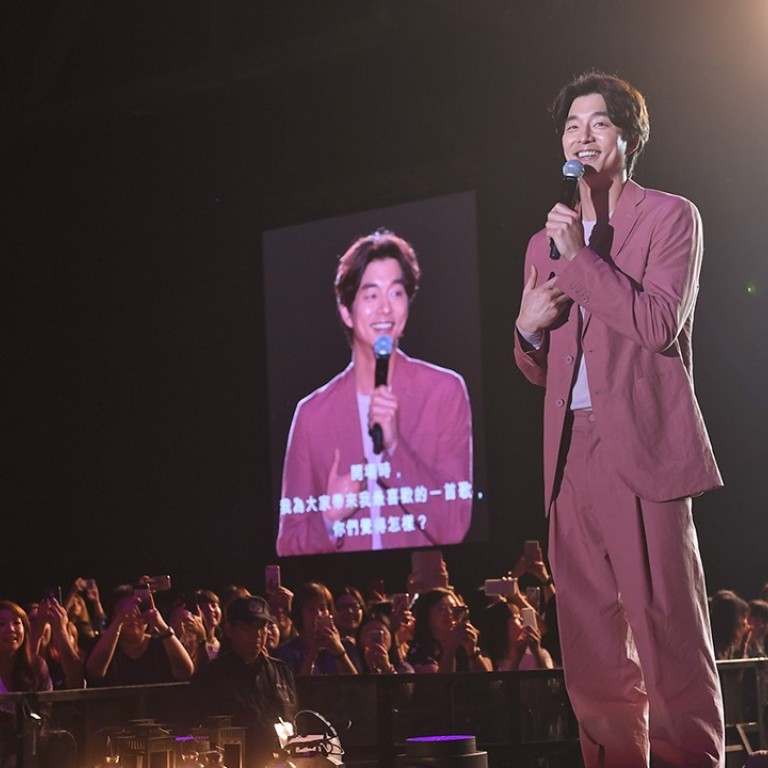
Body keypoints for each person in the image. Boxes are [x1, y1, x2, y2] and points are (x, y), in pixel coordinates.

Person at [513, 71, 724, 767]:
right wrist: (528, 333)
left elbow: (660, 323)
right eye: (572, 125)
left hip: (643, 448)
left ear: (627, 139)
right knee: (592, 655)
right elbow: (537, 367)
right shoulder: (542, 243)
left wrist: (580, 262)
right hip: (570, 457)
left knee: (669, 640)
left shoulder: (670, 217)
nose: (583, 135)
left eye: (598, 122)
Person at [276, 230, 473, 555]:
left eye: (396, 293)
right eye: (370, 295)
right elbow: (288, 544)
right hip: (347, 594)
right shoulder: (312, 414)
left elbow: (453, 525)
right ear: (346, 311)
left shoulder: (443, 392)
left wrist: (396, 449)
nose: (385, 309)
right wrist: (329, 516)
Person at [189, 596, 297, 768]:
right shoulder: (212, 676)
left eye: (262, 626)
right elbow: (198, 732)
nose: (257, 633)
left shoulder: (281, 671)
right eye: (247, 627)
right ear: (229, 629)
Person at [85, 585, 194, 686]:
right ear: (113, 616)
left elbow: (186, 672)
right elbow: (94, 672)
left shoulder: (161, 644)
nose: (133, 616)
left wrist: (162, 627)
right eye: (125, 609)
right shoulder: (102, 644)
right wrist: (119, 621)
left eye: (139, 609)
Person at [273, 582, 359, 675]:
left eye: (322, 608)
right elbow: (297, 686)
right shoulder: (286, 651)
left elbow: (356, 684)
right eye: (311, 609)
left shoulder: (347, 646)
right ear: (300, 615)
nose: (318, 614)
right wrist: (312, 653)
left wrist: (338, 650)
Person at [406, 588, 491, 673]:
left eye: (452, 608)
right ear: (426, 616)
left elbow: (487, 680)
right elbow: (440, 683)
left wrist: (472, 652)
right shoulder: (421, 651)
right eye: (441, 609)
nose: (449, 613)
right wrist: (450, 648)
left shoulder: (464, 642)